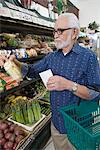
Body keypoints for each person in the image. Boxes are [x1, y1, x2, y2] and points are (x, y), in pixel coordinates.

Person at [0, 13, 100, 150]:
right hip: (57, 125)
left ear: (74, 32)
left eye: (60, 30)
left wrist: (68, 85)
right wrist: (14, 62)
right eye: (54, 31)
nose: (55, 35)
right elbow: (31, 71)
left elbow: (96, 93)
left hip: (78, 127)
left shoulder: (88, 58)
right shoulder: (52, 57)